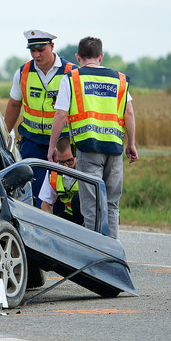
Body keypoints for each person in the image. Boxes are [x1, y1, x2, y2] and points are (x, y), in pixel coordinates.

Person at [48, 36, 139, 240]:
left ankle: (95, 256)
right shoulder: (119, 79)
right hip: (115, 149)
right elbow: (129, 113)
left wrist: (52, 146)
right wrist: (131, 144)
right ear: (101, 56)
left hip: (88, 150)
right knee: (111, 205)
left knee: (91, 207)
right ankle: (113, 254)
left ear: (78, 57)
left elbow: (61, 114)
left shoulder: (72, 78)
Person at [4, 29, 77, 207]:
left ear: (52, 47)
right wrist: (4, 134)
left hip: (63, 144)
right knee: (34, 193)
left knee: (62, 191)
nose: (36, 55)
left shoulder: (71, 73)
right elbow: (14, 104)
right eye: (32, 50)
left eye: (41, 50)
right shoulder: (23, 73)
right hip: (32, 143)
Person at [39, 136, 83, 226]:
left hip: (87, 217)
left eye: (69, 161)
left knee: (77, 200)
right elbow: (46, 204)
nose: (66, 166)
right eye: (62, 162)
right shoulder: (53, 173)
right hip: (70, 215)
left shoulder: (85, 169)